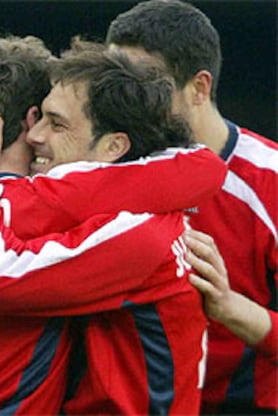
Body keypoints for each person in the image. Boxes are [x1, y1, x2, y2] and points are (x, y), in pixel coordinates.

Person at [0, 36, 226, 414]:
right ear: (30, 118)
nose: (40, 137)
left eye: (58, 123)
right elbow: (195, 170)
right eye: (45, 120)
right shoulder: (56, 215)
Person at [106, 1, 278, 413]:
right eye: (113, 83)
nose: (125, 102)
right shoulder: (102, 170)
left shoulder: (269, 181)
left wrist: (230, 307)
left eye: (146, 86)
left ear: (199, 87)